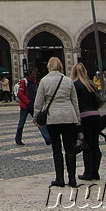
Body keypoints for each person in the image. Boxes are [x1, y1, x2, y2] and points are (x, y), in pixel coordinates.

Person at [34, 57, 80, 188]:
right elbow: (74, 101)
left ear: (49, 66)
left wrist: (36, 118)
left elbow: (39, 102)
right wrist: (77, 119)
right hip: (68, 116)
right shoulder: (68, 80)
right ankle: (72, 179)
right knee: (70, 148)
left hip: (52, 117)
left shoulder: (44, 81)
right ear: (61, 66)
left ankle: (59, 179)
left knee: (56, 149)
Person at [71, 63, 102, 181]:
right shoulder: (91, 84)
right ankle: (96, 172)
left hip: (84, 116)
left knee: (86, 144)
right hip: (96, 115)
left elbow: (74, 102)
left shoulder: (75, 85)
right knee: (95, 144)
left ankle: (88, 172)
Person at [15, 69, 51, 145]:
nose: (35, 76)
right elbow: (20, 94)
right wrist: (27, 101)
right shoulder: (24, 82)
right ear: (29, 74)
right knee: (21, 123)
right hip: (26, 106)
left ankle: (47, 138)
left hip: (33, 106)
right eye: (33, 74)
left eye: (35, 74)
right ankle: (18, 139)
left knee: (39, 121)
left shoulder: (36, 82)